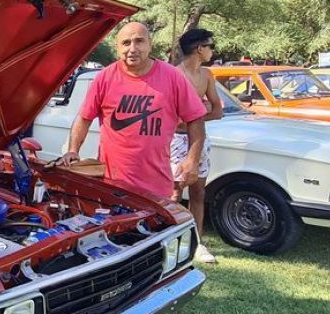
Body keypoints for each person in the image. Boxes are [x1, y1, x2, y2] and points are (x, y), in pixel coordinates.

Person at [58, 22, 208, 209]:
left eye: (139, 41)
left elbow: (195, 119)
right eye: (126, 43)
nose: (132, 49)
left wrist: (192, 160)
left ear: (150, 44)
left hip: (156, 187)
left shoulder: (172, 77)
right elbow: (84, 117)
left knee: (152, 237)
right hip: (110, 185)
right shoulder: (104, 78)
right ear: (117, 48)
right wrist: (73, 150)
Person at [172, 28, 224, 263]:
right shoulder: (174, 74)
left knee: (198, 191)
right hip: (175, 140)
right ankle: (170, 241)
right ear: (198, 48)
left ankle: (198, 243)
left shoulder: (207, 75)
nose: (212, 50)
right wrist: (196, 114)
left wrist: (193, 118)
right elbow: (172, 117)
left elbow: (218, 110)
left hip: (200, 137)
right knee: (174, 192)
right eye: (210, 45)